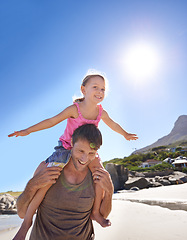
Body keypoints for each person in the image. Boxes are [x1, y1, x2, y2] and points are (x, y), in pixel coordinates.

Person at [9, 70, 138, 239]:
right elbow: (52, 121)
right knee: (47, 180)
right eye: (95, 87)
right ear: (83, 90)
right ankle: (26, 224)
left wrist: (125, 134)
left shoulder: (101, 113)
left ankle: (95, 213)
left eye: (103, 89)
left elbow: (113, 125)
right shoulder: (75, 109)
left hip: (87, 149)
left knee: (100, 175)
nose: (100, 92)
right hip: (65, 148)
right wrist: (28, 130)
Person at [16, 124, 114, 240]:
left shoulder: (96, 176)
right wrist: (32, 185)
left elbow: (101, 215)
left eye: (91, 153)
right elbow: (22, 213)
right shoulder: (47, 168)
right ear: (72, 143)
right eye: (80, 151)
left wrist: (109, 192)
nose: (84, 159)